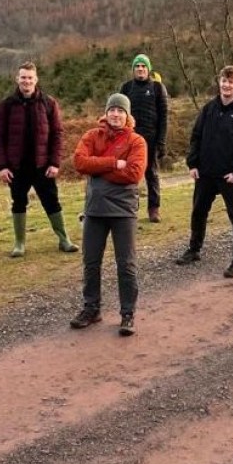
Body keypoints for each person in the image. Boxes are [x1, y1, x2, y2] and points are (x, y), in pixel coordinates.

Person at [70, 93, 148, 336]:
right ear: (106, 112)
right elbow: (80, 162)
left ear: (127, 115)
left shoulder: (137, 141)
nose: (115, 114)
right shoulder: (92, 136)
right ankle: (91, 309)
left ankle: (127, 314)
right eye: (112, 110)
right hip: (95, 210)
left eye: (120, 111)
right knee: (91, 262)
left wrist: (98, 168)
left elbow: (134, 174)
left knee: (126, 264)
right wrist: (114, 163)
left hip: (123, 211)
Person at [175, 65, 233, 278]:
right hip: (205, 173)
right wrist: (193, 164)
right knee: (198, 212)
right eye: (224, 80)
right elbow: (196, 137)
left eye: (231, 81)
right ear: (219, 82)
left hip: (230, 177)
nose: (226, 85)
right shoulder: (209, 108)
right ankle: (194, 250)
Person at [0, 62, 79, 257]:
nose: (26, 81)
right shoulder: (6, 105)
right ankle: (19, 244)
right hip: (16, 167)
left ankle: (64, 239)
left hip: (43, 165)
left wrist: (55, 163)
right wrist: (2, 166)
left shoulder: (49, 103)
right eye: (23, 77)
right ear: (17, 79)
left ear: (36, 80)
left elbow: (57, 134)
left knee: (52, 201)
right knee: (18, 202)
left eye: (30, 78)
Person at [120, 53, 169, 223]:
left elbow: (164, 116)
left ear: (148, 69)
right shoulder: (126, 88)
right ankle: (129, 209)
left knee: (152, 174)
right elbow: (120, 115)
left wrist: (162, 142)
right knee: (128, 175)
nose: (140, 69)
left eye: (143, 66)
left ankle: (154, 210)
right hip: (130, 139)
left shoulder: (157, 88)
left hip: (151, 139)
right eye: (137, 66)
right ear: (133, 69)